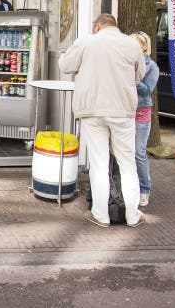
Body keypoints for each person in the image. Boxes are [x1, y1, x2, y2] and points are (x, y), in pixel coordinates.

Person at [58, 13, 147, 228]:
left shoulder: (86, 42)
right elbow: (140, 74)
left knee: (98, 164)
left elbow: (64, 65)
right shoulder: (131, 45)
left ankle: (100, 215)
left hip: (93, 110)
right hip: (122, 111)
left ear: (97, 26)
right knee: (127, 165)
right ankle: (133, 215)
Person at [130, 31, 159, 208]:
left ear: (144, 46)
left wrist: (133, 78)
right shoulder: (126, 62)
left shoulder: (152, 66)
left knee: (139, 152)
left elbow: (147, 90)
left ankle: (144, 189)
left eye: (136, 43)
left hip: (141, 112)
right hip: (126, 111)